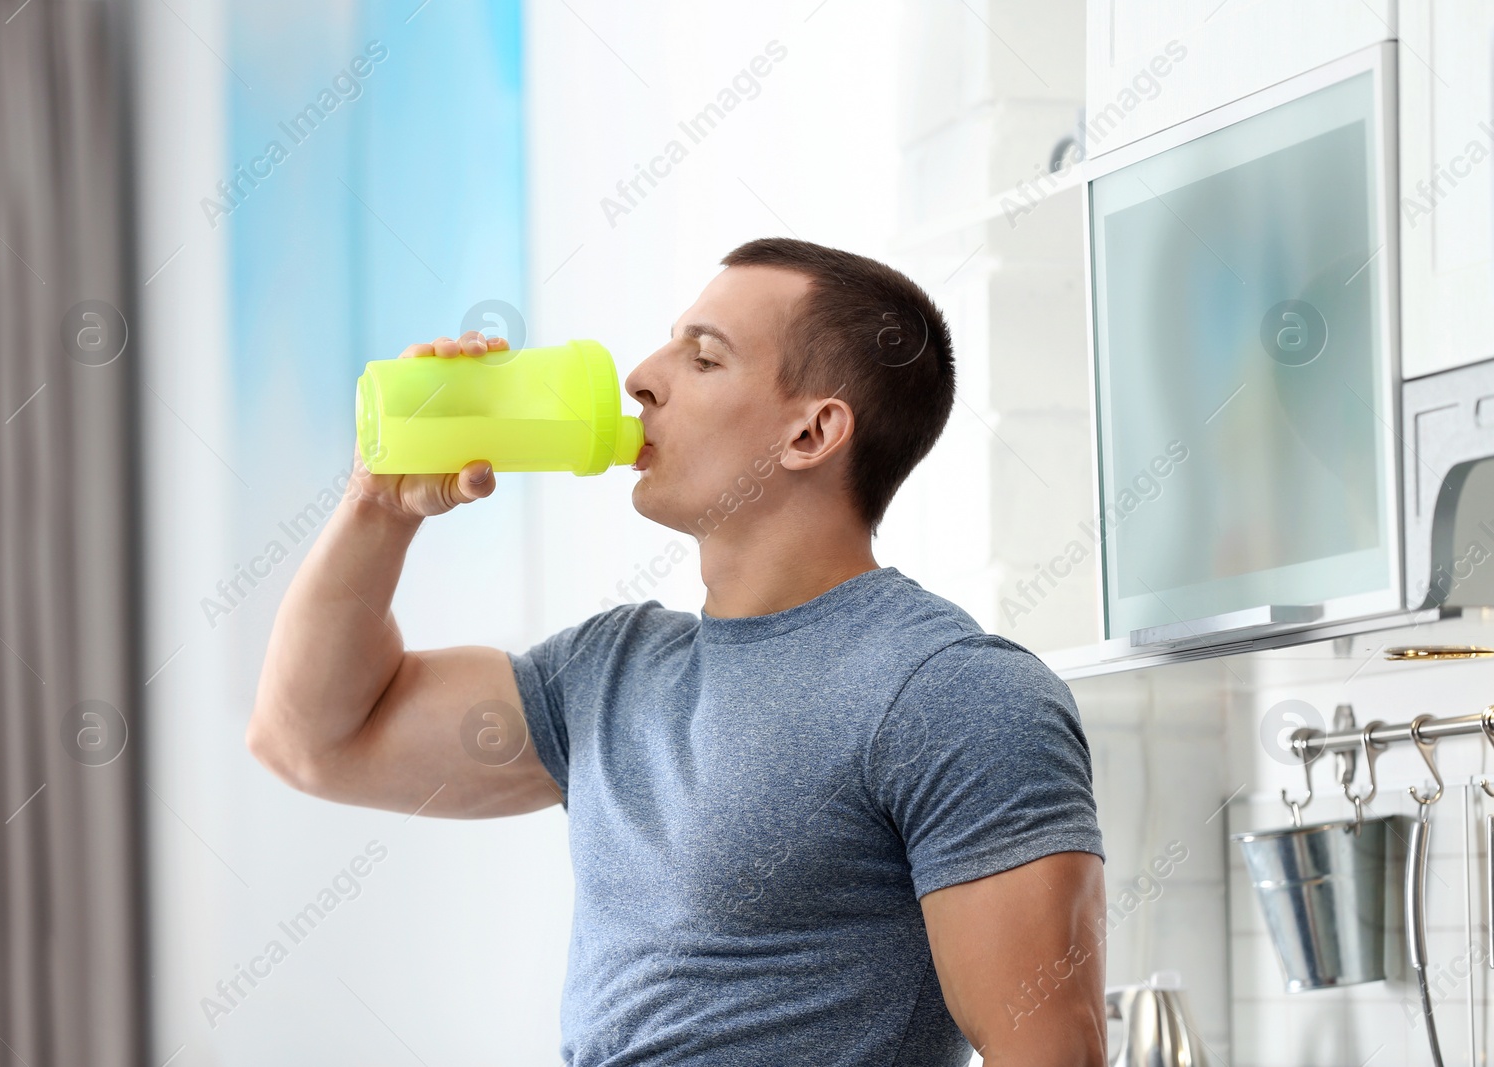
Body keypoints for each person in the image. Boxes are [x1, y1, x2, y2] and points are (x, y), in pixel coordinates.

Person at [248, 237, 1107, 1065]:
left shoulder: (953, 695)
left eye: (702, 357)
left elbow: (1049, 1052)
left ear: (812, 432)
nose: (640, 378)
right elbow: (314, 739)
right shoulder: (610, 671)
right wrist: (378, 503)